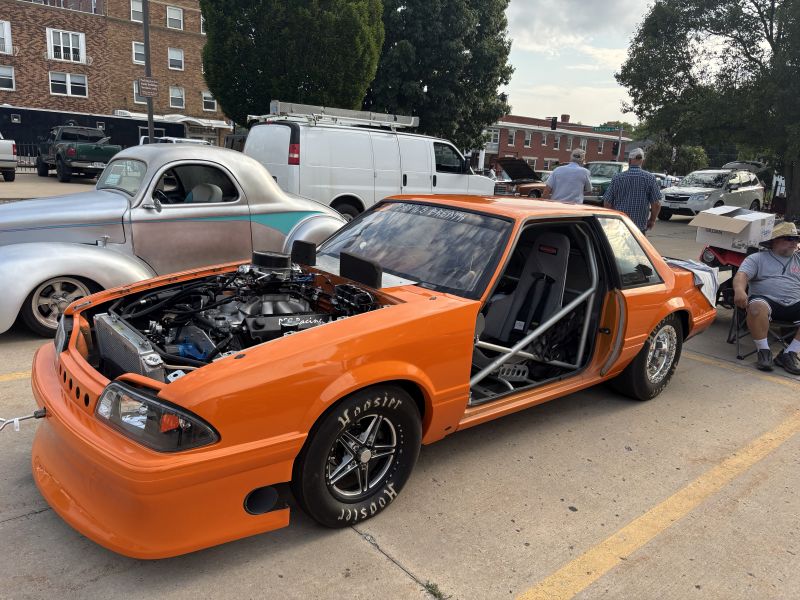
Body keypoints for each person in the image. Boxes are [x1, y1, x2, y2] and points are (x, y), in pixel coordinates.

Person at [732, 221, 800, 373]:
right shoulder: (757, 258)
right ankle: (764, 351)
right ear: (774, 241)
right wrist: (739, 290)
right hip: (765, 301)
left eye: (796, 239)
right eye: (789, 238)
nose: (794, 242)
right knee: (756, 307)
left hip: (795, 303)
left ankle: (789, 353)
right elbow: (741, 276)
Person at [602, 148, 662, 234]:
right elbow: (656, 203)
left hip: (620, 225)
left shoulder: (617, 178)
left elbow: (607, 202)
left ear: (629, 161)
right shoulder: (650, 178)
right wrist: (652, 220)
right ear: (642, 161)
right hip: (639, 228)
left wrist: (611, 220)